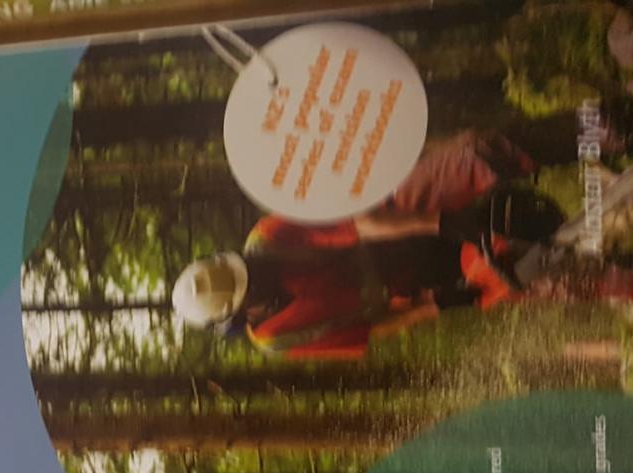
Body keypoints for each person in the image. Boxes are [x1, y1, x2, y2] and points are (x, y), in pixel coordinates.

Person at [173, 132, 564, 359]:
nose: (256, 274)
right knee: (516, 278)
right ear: (238, 313)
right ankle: (589, 264)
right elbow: (371, 327)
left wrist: (441, 223)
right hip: (411, 281)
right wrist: (435, 306)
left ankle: (574, 136)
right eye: (249, 285)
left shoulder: (269, 238)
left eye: (247, 271)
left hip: (395, 218)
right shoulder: (276, 338)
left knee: (473, 156)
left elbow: (361, 225)